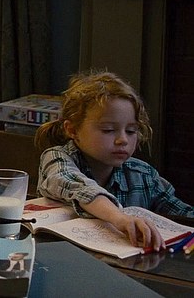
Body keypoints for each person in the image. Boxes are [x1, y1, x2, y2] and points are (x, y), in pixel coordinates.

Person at [35, 70, 194, 252]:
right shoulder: (57, 158)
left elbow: (183, 215)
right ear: (72, 130)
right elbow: (79, 187)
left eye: (131, 131)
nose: (123, 140)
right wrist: (120, 218)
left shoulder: (143, 175)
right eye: (108, 130)